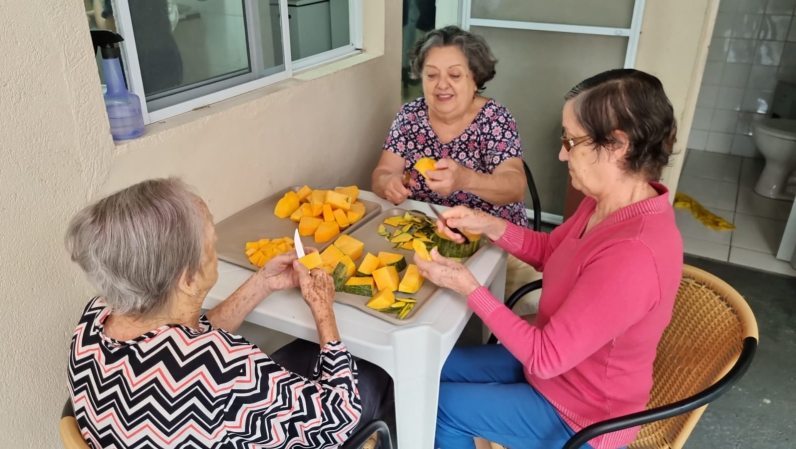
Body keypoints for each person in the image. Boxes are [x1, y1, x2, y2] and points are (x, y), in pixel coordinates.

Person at [413, 69, 684, 449]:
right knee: (425, 370)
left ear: (618, 145)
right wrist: (488, 223)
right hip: (555, 374)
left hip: (582, 416)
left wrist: (467, 286)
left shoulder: (634, 253)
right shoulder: (603, 204)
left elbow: (545, 356)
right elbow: (552, 253)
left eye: (571, 140)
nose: (561, 153)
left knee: (439, 405)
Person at [65, 178, 391, 448]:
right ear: (188, 277)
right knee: (377, 373)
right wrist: (323, 308)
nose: (216, 242)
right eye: (209, 241)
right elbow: (341, 415)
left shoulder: (96, 317)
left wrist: (261, 283)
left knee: (301, 353)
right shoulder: (220, 366)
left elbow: (185, 341)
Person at [373, 26, 529, 228]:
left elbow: (515, 187)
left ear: (475, 79)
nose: (442, 85)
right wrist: (388, 183)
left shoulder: (494, 118)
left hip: (488, 234)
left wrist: (465, 180)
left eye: (454, 75)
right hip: (425, 229)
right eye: (431, 75)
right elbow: (381, 173)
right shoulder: (409, 116)